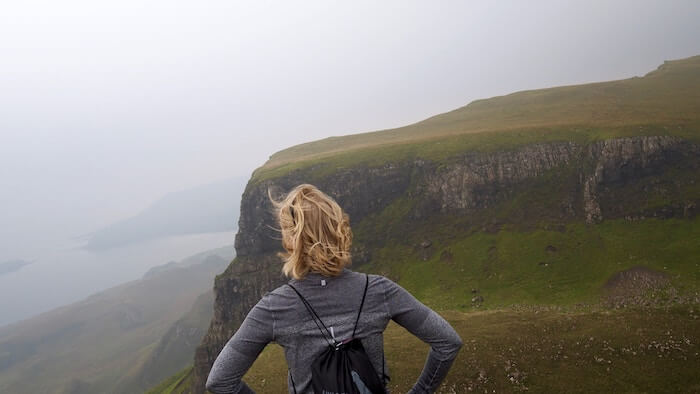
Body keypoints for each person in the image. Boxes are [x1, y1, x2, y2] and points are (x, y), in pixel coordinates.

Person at [206, 184, 463, 394]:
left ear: (292, 240)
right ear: (338, 230)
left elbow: (219, 381)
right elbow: (447, 342)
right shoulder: (378, 290)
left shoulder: (274, 307)